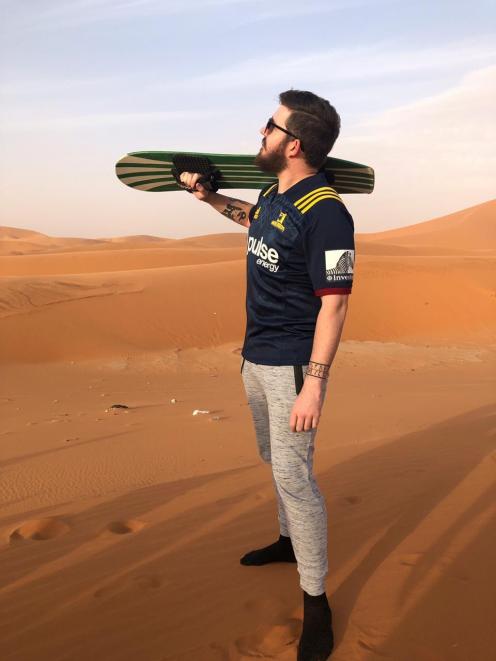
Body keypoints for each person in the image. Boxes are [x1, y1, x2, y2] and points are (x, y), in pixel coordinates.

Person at [179, 89, 355, 661]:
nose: (260, 133)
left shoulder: (328, 213)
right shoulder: (272, 193)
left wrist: (315, 383)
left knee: (296, 475)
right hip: (255, 356)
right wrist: (208, 197)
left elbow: (335, 305)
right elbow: (253, 221)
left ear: (294, 143)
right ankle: (286, 542)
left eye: (269, 127)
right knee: (272, 459)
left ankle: (316, 603)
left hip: (293, 364)